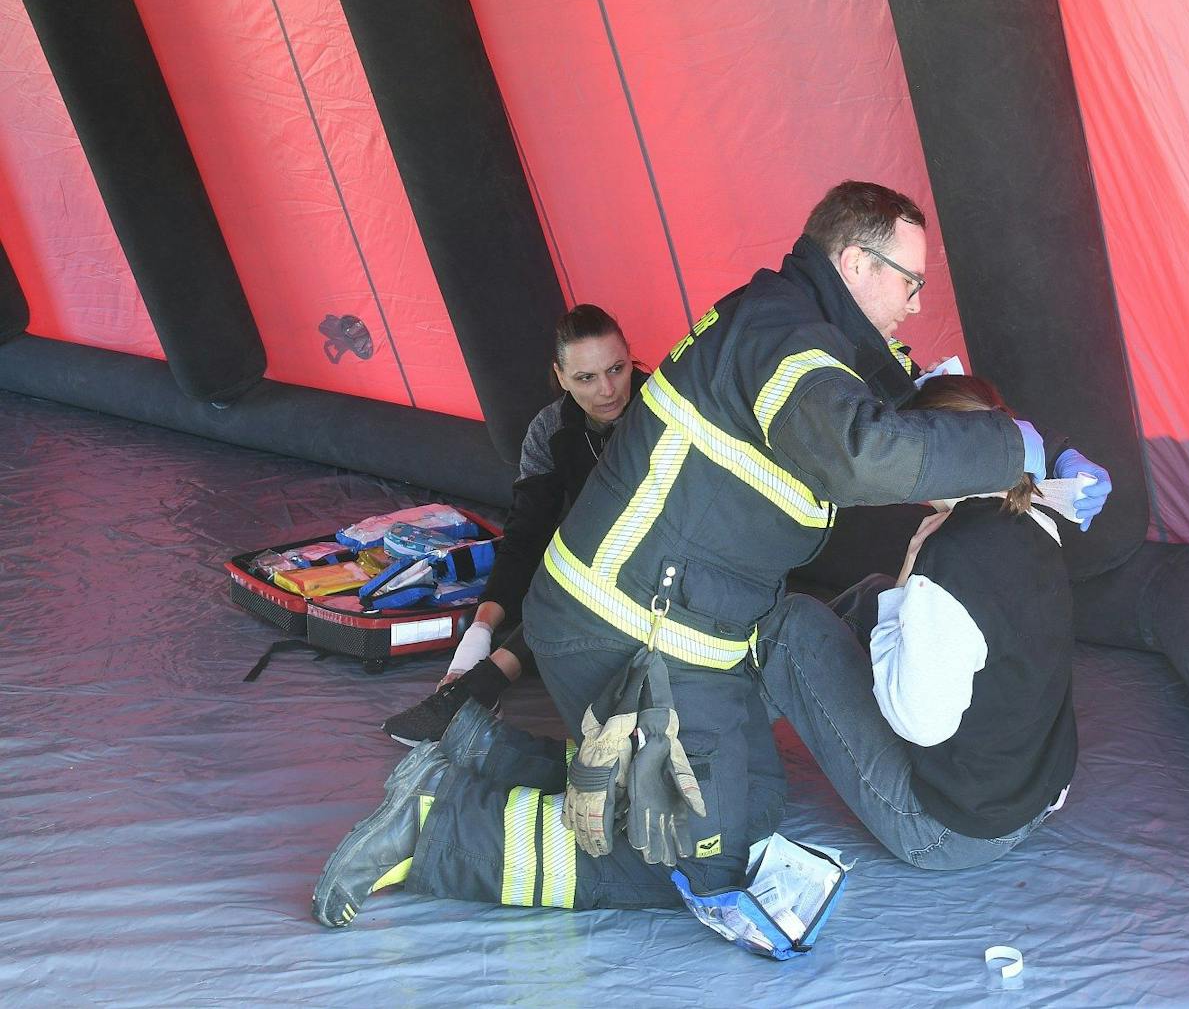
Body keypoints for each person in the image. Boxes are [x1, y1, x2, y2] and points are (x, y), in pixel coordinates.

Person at [314, 181, 1111, 924]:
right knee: (695, 855)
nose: (917, 302)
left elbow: (925, 403)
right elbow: (863, 451)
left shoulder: (819, 335)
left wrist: (1052, 447)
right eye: (911, 281)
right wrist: (1015, 450)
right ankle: (432, 829)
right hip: (628, 627)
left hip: (684, 624)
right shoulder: (784, 344)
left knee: (742, 795)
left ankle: (476, 750)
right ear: (857, 264)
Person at [756, 374, 1081, 869]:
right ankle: (748, 699)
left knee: (791, 626)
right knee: (873, 593)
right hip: (1030, 795)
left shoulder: (950, 556)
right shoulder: (1034, 518)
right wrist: (902, 591)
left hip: (943, 830)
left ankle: (716, 732)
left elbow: (919, 724)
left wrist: (913, 572)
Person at [381, 304, 647, 745]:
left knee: (577, 582)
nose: (607, 390)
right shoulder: (550, 430)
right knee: (550, 574)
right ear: (560, 376)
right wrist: (480, 630)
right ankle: (475, 672)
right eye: (586, 378)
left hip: (669, 556)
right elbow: (526, 533)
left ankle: (476, 690)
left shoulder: (663, 411)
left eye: (616, 369)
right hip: (592, 561)